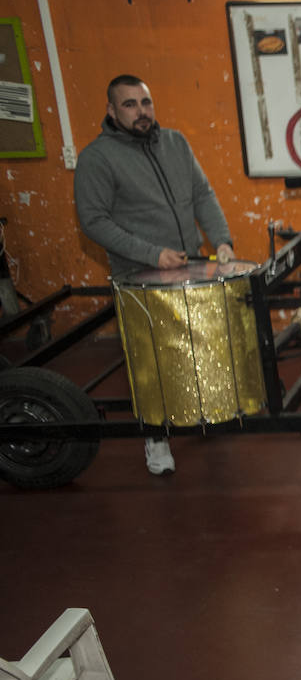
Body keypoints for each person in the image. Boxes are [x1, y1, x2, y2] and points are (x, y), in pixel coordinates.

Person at [74, 74, 235, 476]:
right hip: (139, 278)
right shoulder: (98, 158)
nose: (141, 112)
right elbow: (92, 220)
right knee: (150, 366)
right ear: (111, 111)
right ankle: (156, 438)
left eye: (145, 102)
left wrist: (222, 241)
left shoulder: (176, 143)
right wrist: (151, 254)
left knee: (195, 350)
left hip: (189, 266)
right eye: (129, 105)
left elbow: (203, 193)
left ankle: (200, 413)